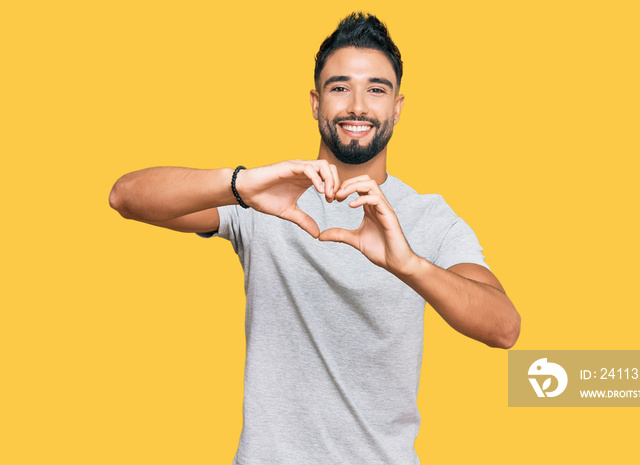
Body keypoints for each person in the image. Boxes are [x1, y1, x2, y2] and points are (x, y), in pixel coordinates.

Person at [109, 12, 520, 465]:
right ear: (315, 102)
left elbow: (504, 328)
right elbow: (126, 197)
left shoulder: (430, 218)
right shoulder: (264, 196)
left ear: (398, 106)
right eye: (340, 87)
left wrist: (409, 264)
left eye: (376, 89)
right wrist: (240, 185)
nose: (358, 106)